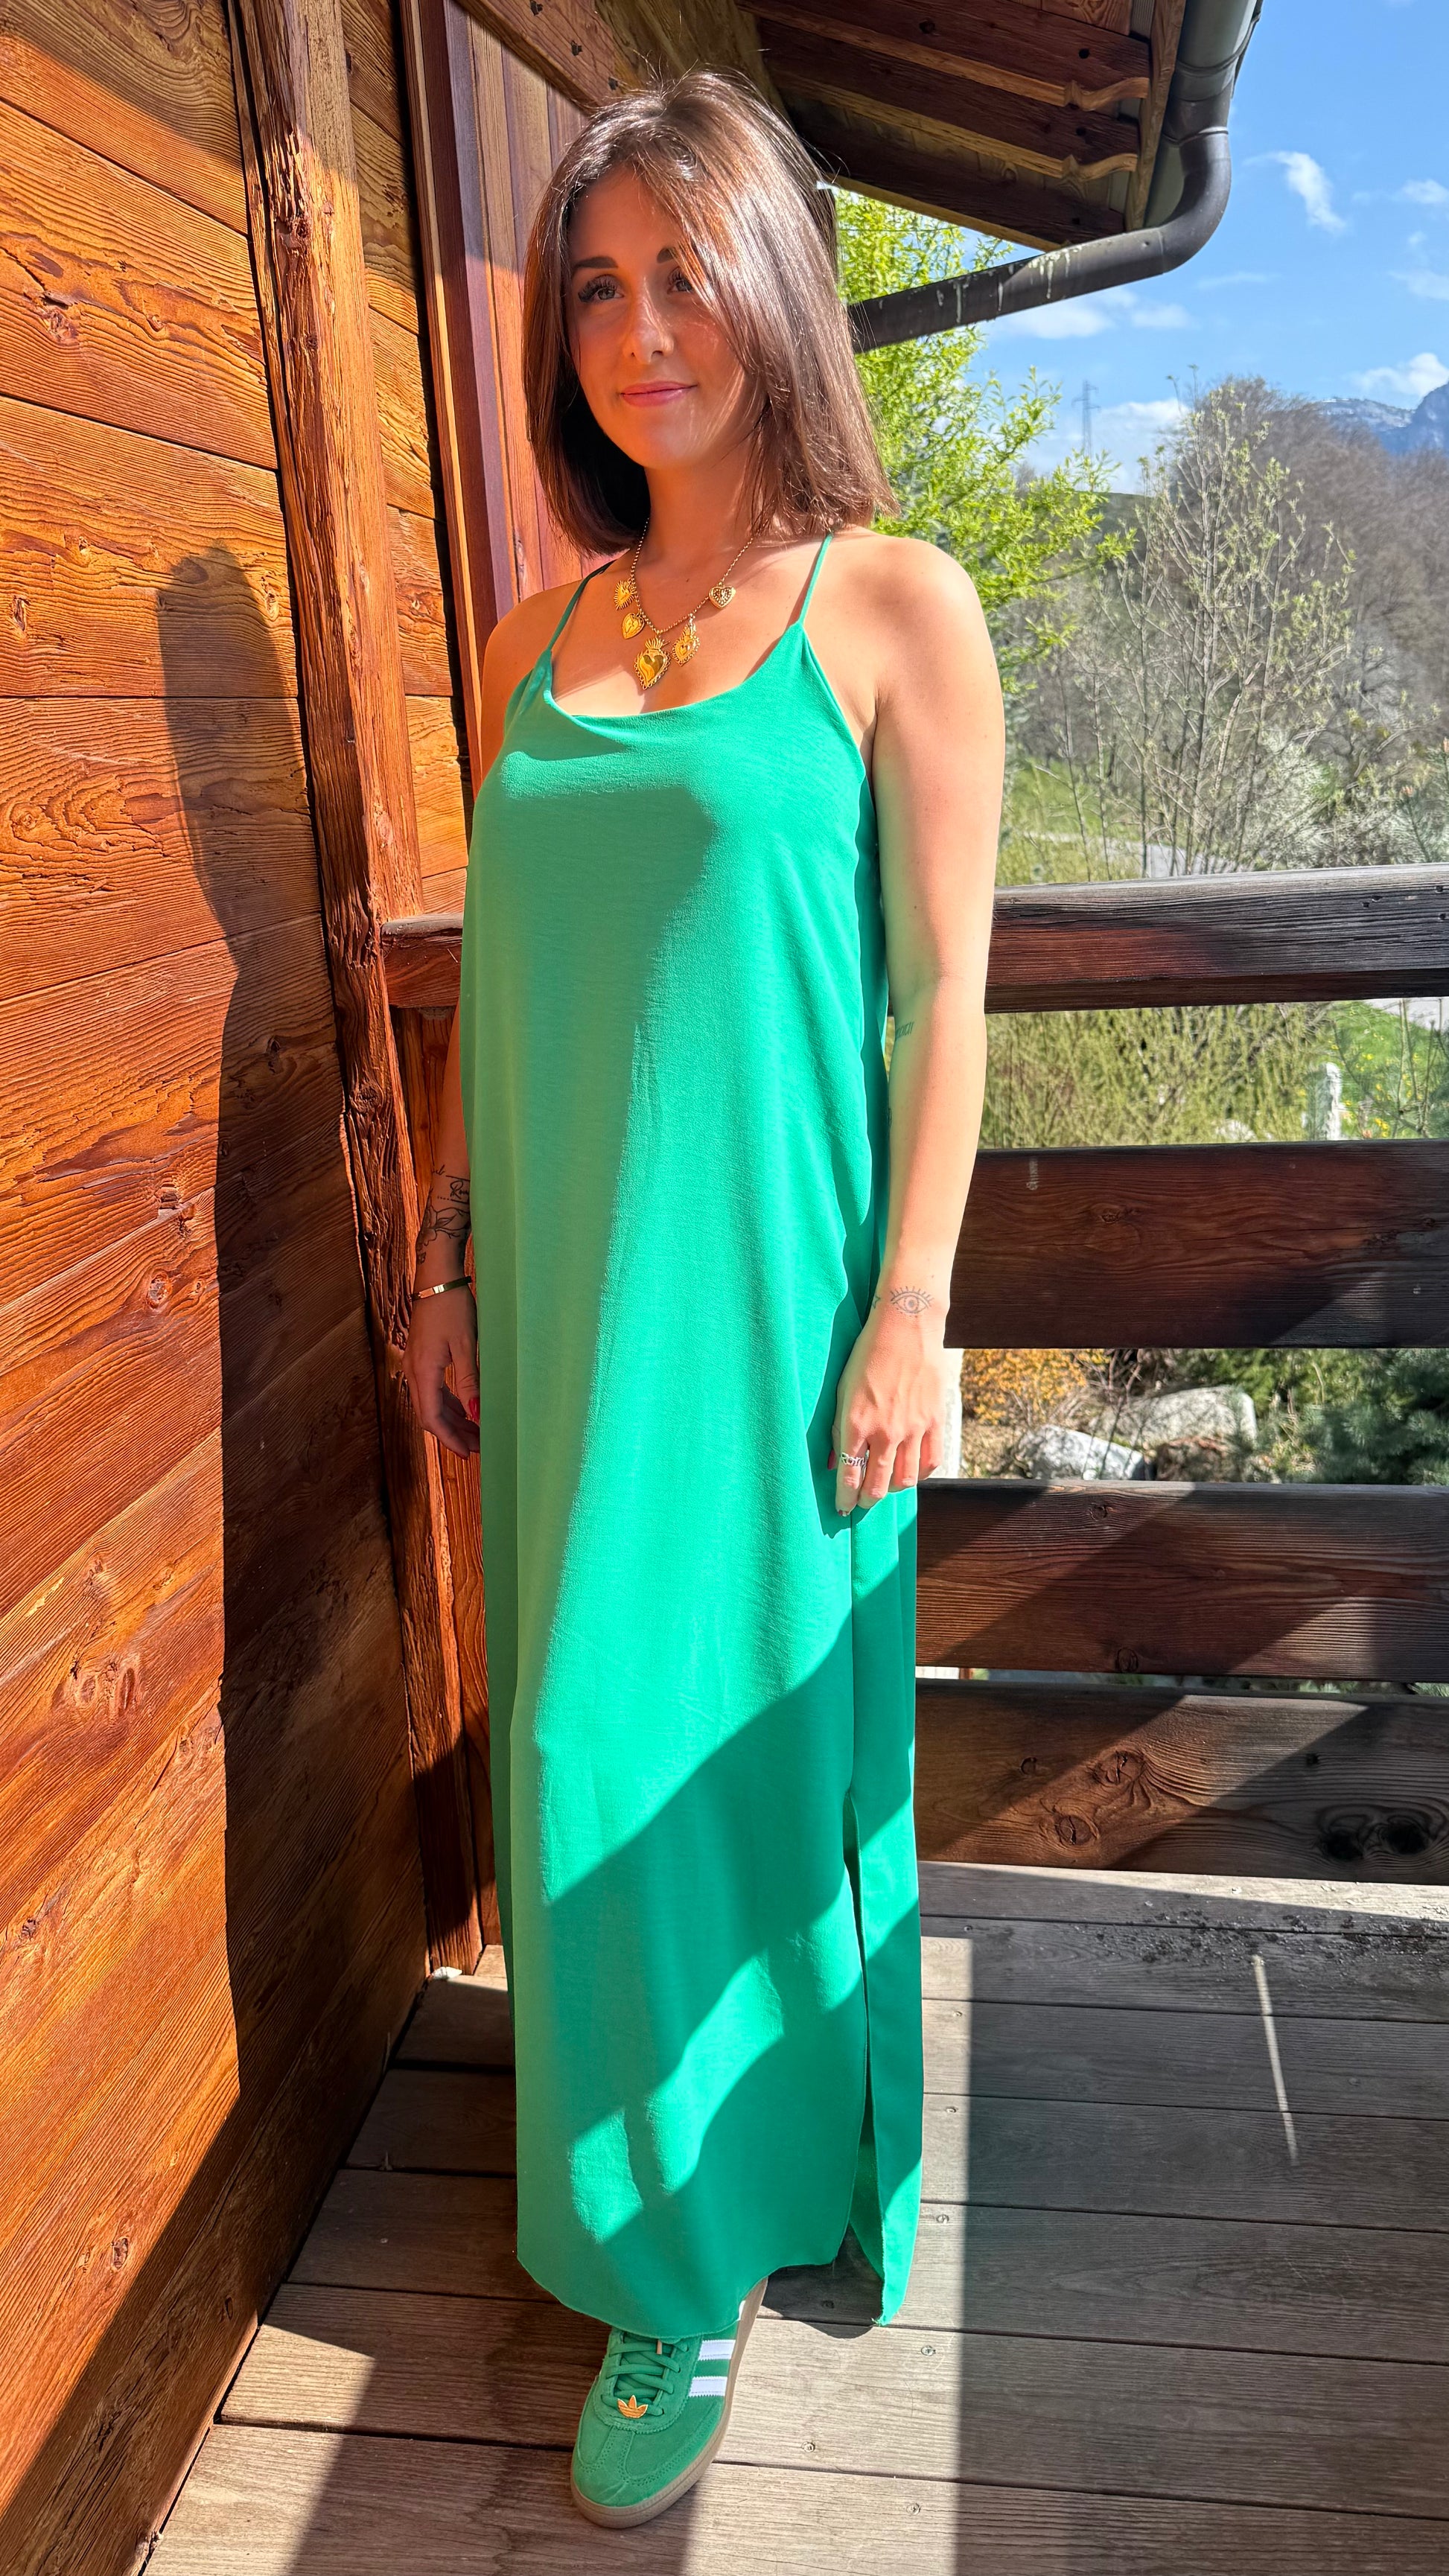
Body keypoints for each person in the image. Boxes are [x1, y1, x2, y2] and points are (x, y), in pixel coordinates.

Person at [402, 67, 1002, 2530]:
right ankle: (654, 2198)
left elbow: (946, 998)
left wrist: (912, 1308)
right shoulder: (530, 641)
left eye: (681, 275)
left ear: (770, 286)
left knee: (729, 1741)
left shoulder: (893, 604)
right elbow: (497, 976)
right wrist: (448, 1255)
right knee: (573, 1735)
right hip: (562, 1303)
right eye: (595, 290)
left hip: (772, 1301)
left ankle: (703, 2251)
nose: (640, 332)